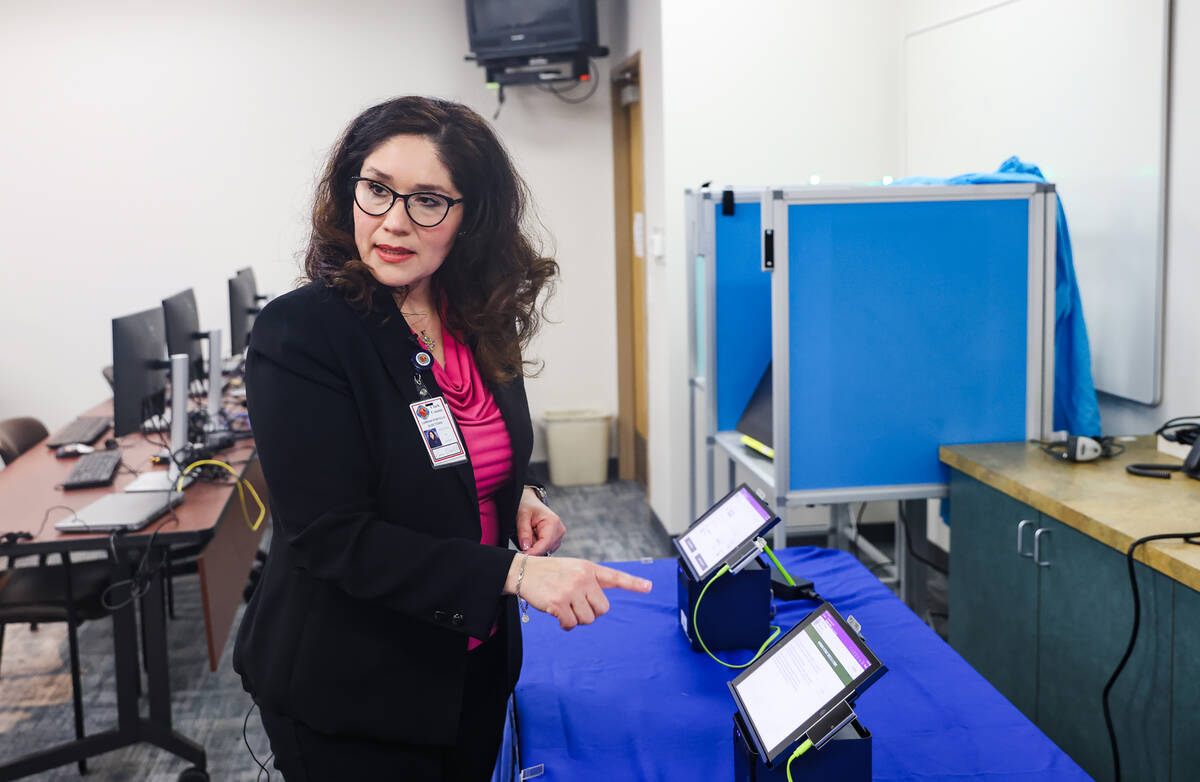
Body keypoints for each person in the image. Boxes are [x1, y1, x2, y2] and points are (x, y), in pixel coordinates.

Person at [233, 96, 652, 781]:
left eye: (428, 199)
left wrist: (516, 490)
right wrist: (517, 573)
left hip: (472, 660)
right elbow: (332, 535)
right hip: (354, 686)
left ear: (471, 215)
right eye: (375, 190)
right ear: (349, 191)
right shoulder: (302, 333)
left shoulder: (477, 314)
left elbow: (469, 449)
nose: (393, 222)